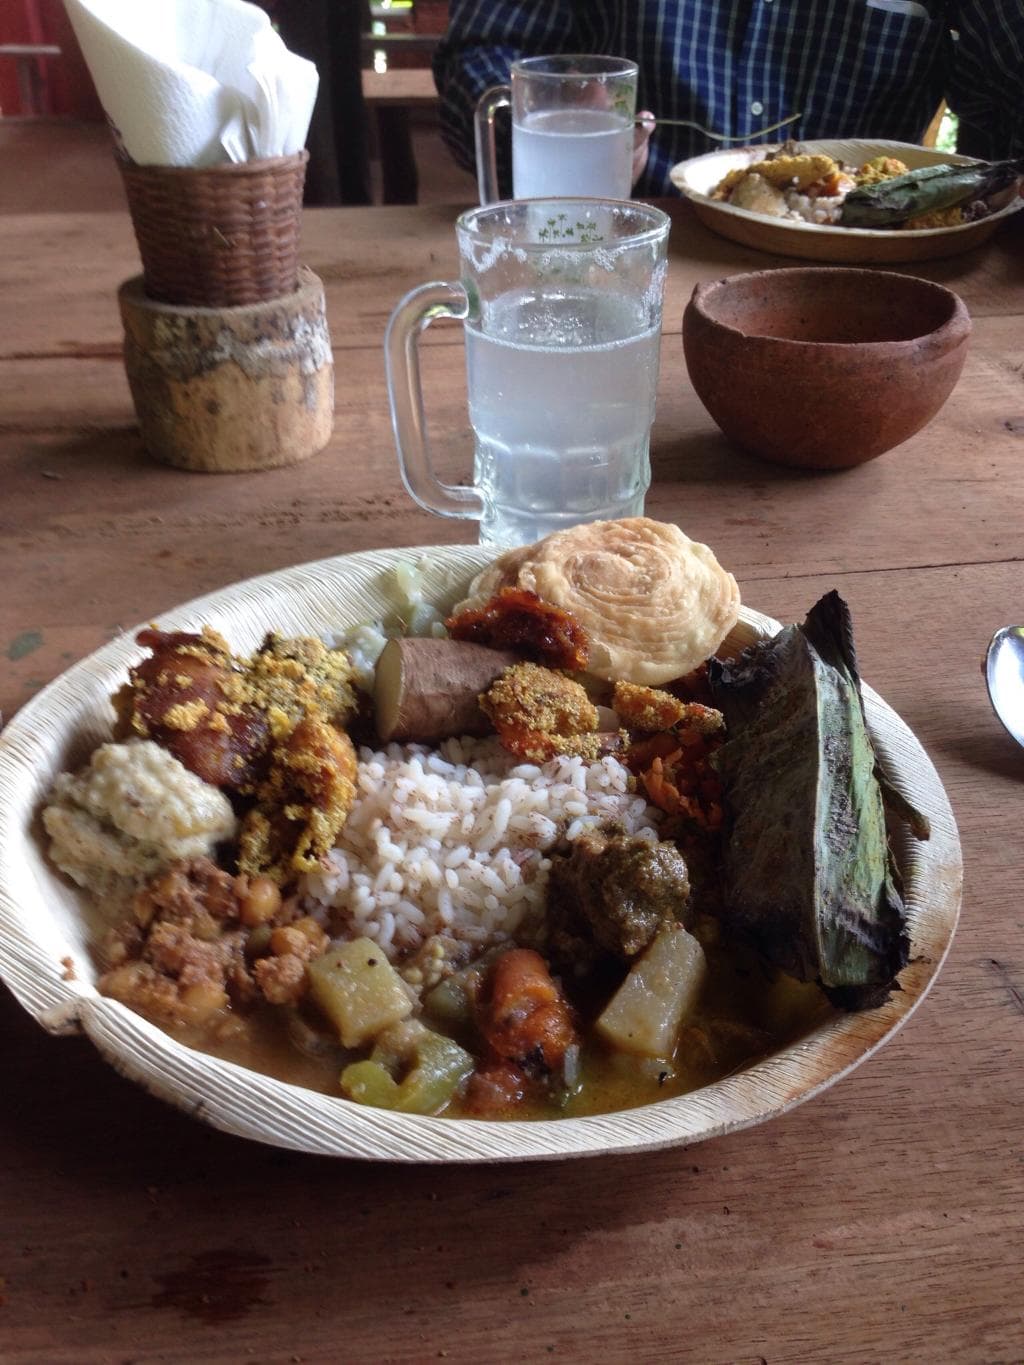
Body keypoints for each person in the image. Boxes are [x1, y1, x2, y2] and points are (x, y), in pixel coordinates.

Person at [432, 0, 1024, 198]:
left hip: (875, 275)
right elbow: (482, 57)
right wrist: (552, 133)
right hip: (626, 245)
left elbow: (1008, 78)